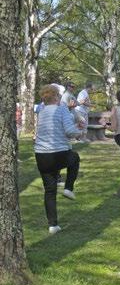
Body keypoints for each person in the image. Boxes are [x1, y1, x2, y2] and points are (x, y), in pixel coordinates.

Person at [34, 84, 82, 234]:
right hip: (57, 153)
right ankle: (68, 188)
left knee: (49, 190)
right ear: (55, 97)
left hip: (41, 155)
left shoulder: (42, 111)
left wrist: (73, 125)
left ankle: (53, 225)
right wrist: (79, 130)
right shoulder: (61, 108)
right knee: (74, 158)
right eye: (59, 96)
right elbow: (69, 131)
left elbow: (56, 128)